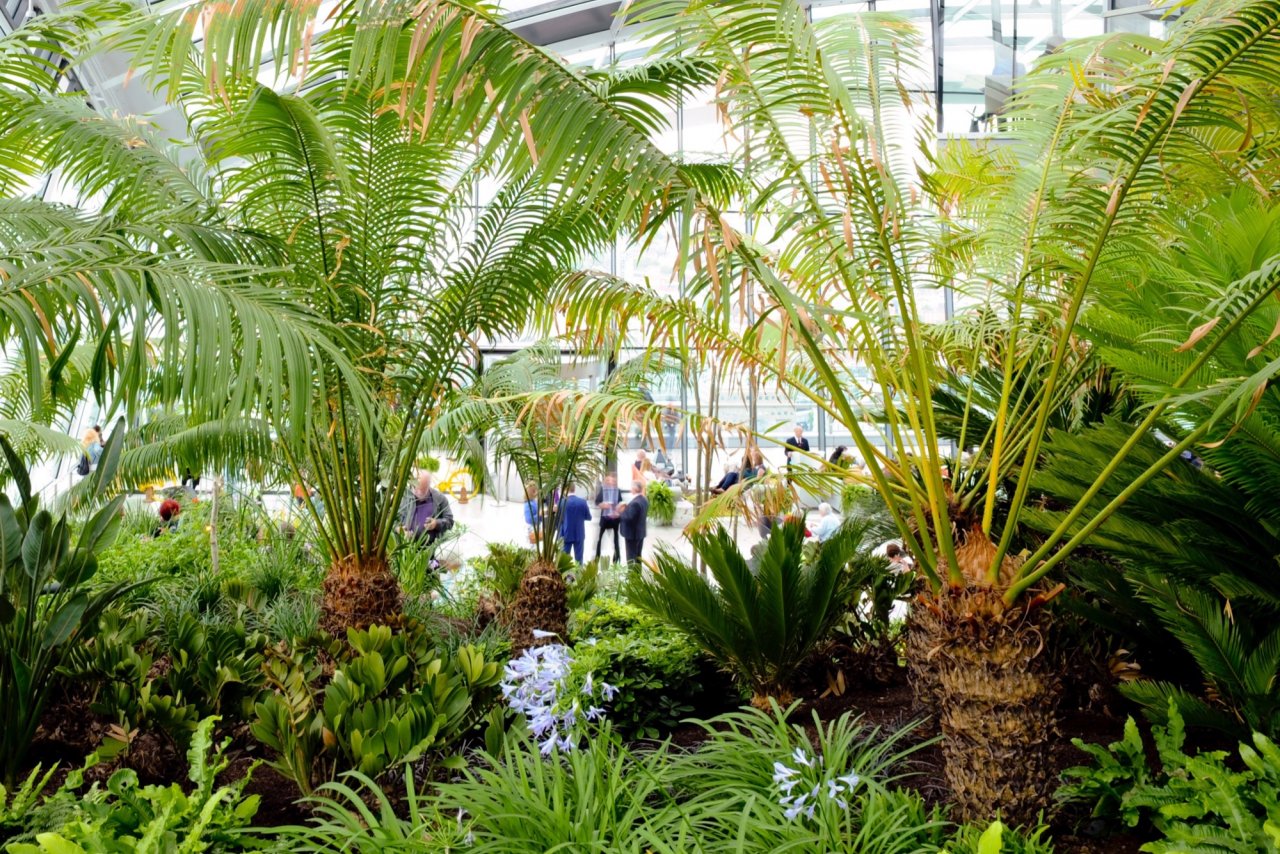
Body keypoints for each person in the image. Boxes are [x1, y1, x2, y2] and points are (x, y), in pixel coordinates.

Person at [399, 472, 455, 545]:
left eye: (422, 490)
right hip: (405, 548)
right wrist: (400, 530)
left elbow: (450, 522)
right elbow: (392, 521)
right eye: (416, 488)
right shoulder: (403, 496)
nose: (418, 492)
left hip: (430, 549)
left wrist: (436, 523)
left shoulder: (440, 499)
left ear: (429, 486)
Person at [619, 478, 649, 569]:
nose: (630, 489)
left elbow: (629, 517)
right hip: (640, 533)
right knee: (638, 557)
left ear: (635, 489)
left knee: (631, 558)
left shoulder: (635, 503)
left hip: (632, 535)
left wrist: (622, 511)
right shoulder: (644, 500)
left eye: (632, 487)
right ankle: (638, 576)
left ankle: (632, 577)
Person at [558, 485, 592, 564]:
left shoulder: (562, 502)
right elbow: (589, 517)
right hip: (579, 534)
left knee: (564, 561)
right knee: (579, 559)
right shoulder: (582, 502)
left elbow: (558, 519)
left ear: (565, 490)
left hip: (565, 534)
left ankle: (565, 575)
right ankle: (579, 575)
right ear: (574, 489)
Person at [593, 473, 623, 560]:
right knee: (599, 538)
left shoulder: (618, 491)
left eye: (613, 481)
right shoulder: (603, 490)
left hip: (615, 519)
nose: (611, 482)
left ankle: (617, 557)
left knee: (616, 539)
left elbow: (621, 503)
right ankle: (597, 556)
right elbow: (597, 502)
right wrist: (601, 505)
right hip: (605, 518)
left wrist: (618, 511)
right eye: (609, 480)